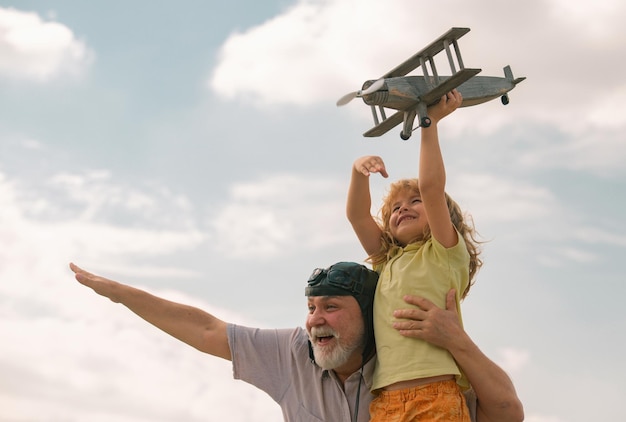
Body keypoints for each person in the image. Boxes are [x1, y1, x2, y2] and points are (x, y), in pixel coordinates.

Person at [69, 261, 523, 422]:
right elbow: (206, 329)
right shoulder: (291, 354)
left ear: (368, 314)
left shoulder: (411, 364)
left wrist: (457, 342)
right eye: (311, 308)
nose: (314, 320)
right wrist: (121, 295)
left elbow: (507, 414)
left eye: (331, 307)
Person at [346, 89, 483, 420]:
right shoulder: (386, 260)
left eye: (414, 202)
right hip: (386, 402)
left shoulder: (444, 252)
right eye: (395, 207)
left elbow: (432, 187)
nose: (402, 208)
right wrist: (357, 171)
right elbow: (357, 216)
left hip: (436, 395)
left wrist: (429, 123)